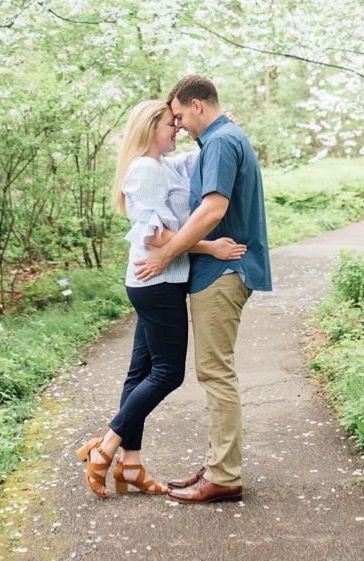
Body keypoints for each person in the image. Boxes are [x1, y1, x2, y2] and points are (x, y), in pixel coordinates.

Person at [77, 99, 246, 498]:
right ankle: (105, 448)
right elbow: (153, 235)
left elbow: (201, 159)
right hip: (158, 283)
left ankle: (131, 466)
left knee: (141, 373)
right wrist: (209, 248)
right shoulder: (145, 170)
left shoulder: (165, 165)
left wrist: (219, 127)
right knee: (168, 373)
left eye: (179, 122)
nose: (178, 129)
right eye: (172, 124)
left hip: (154, 282)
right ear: (151, 127)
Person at [133, 74, 271, 504]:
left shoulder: (222, 141)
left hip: (222, 273)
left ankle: (225, 476)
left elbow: (213, 208)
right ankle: (217, 466)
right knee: (213, 371)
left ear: (196, 105)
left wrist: (166, 252)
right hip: (217, 271)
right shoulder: (218, 140)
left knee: (215, 372)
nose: (179, 126)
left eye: (179, 116)